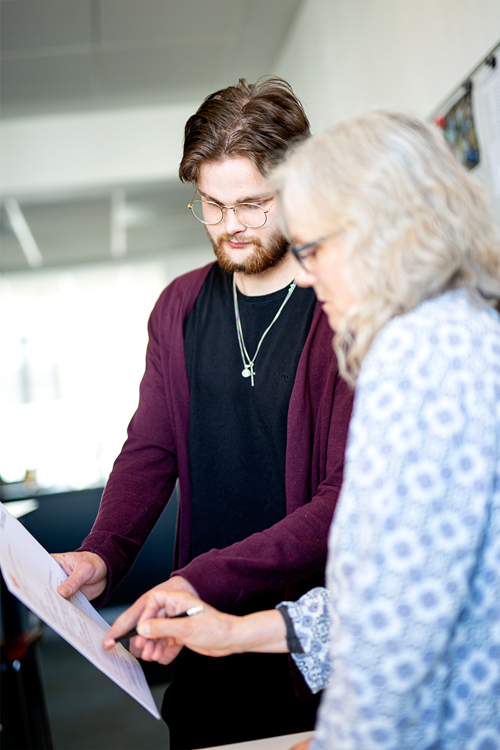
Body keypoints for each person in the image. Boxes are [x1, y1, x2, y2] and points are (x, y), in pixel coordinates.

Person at [105, 110, 500, 750]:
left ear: (382, 234)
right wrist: (234, 633)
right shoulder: (453, 334)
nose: (307, 273)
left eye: (314, 248)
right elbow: (379, 593)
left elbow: (406, 625)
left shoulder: (421, 357)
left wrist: (341, 736)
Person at [53, 77, 354, 748]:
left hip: (311, 649)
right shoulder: (180, 306)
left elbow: (346, 501)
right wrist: (105, 552)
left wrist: (200, 576)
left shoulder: (340, 307)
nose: (229, 226)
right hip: (198, 636)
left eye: (252, 204)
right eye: (211, 205)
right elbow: (149, 451)